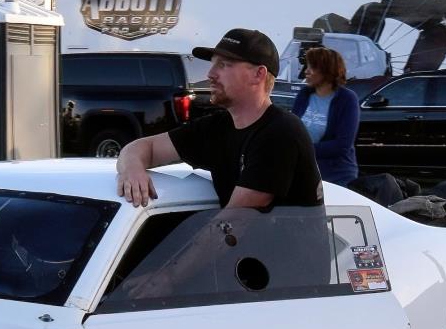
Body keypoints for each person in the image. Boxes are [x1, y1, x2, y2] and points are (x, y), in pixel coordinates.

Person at [115, 28, 323, 211]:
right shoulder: (216, 128)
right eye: (213, 64)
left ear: (258, 74)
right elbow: (142, 148)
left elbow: (233, 222)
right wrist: (132, 170)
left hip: (278, 246)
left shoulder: (280, 132)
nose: (210, 74)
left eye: (224, 65)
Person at [289, 46, 361, 189]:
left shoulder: (347, 99)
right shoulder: (304, 94)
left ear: (327, 70)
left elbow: (342, 145)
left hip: (336, 176)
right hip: (304, 171)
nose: (306, 71)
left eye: (312, 67)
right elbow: (292, 130)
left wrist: (302, 150)